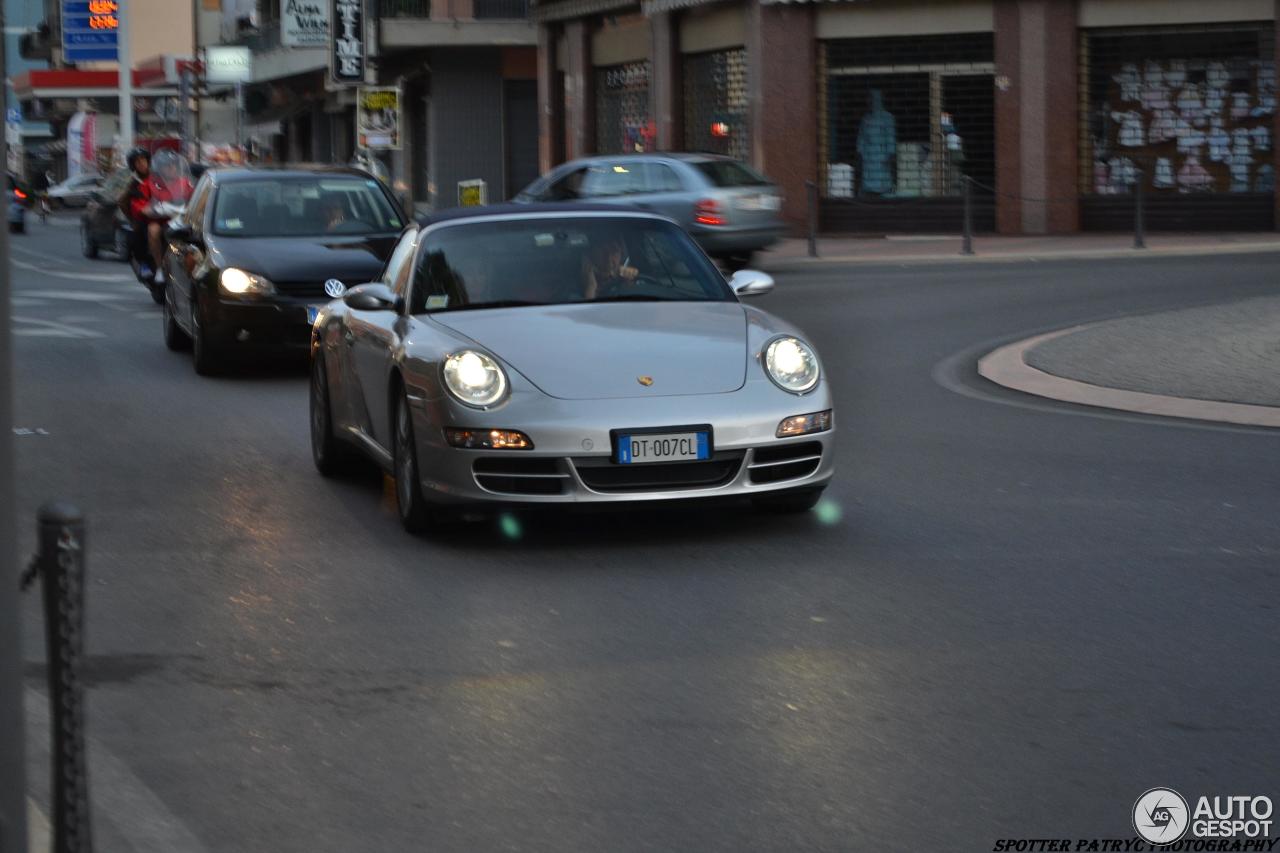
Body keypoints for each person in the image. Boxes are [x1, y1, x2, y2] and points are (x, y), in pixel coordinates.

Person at [119, 147, 159, 281]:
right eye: (137, 162)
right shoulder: (133, 184)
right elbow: (124, 202)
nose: (141, 164)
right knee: (136, 235)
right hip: (145, 218)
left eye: (143, 160)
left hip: (165, 215)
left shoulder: (158, 178)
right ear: (133, 165)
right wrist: (137, 213)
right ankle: (144, 264)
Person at [581, 235, 639, 300]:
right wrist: (591, 287)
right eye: (603, 251)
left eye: (614, 251)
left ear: (621, 255)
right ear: (592, 254)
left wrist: (629, 283)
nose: (609, 257)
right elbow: (587, 309)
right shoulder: (578, 284)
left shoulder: (626, 277)